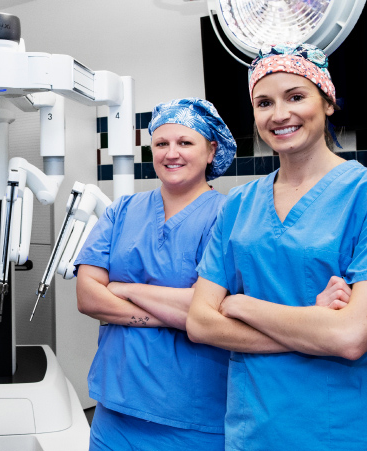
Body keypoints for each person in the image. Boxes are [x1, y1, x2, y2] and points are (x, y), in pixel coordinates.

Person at [187, 43, 367, 450]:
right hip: (251, 428)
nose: (279, 114)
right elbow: (199, 323)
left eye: (296, 96)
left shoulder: (363, 194)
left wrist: (240, 306)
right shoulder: (238, 203)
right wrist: (312, 323)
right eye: (264, 102)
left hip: (336, 429)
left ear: (328, 103)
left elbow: (351, 336)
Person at [75, 98, 236, 450]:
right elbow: (87, 296)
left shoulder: (227, 216)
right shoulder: (123, 210)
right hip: (115, 410)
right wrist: (177, 312)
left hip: (193, 417)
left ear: (211, 151)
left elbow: (212, 309)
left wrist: (121, 288)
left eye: (185, 142)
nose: (171, 153)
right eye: (161, 144)